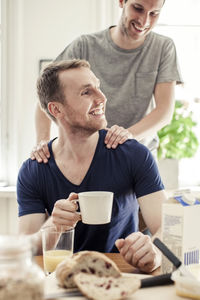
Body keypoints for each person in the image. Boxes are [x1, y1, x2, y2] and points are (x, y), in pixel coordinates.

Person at [18, 59, 167, 273]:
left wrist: (155, 253)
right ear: (56, 109)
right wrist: (53, 227)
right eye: (86, 92)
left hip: (123, 276)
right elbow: (26, 246)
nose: (102, 98)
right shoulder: (34, 170)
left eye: (98, 87)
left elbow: (166, 228)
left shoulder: (134, 154)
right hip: (62, 281)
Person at [32, 0, 182, 163]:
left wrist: (126, 136)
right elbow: (47, 99)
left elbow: (164, 112)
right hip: (89, 159)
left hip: (136, 157)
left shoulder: (163, 47)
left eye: (154, 14)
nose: (144, 21)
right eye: (138, 8)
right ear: (122, 2)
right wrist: (43, 143)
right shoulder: (84, 46)